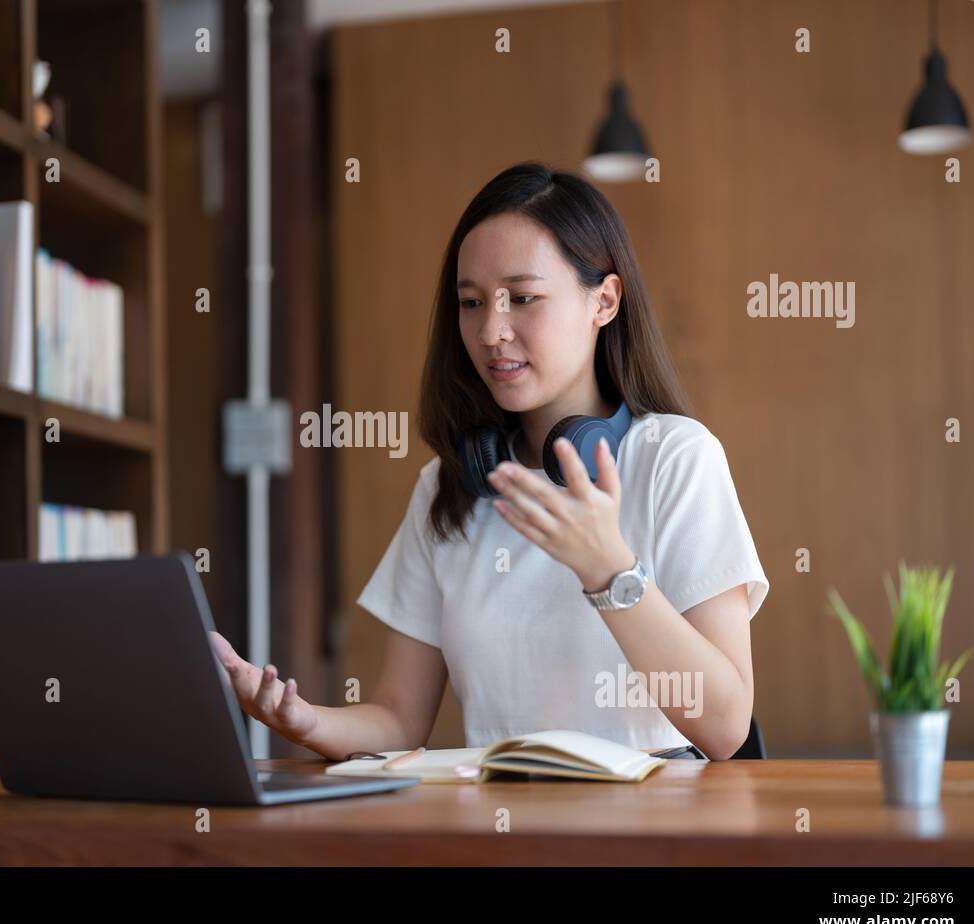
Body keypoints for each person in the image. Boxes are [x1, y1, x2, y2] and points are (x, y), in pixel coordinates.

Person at [210, 162, 769, 761]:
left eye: (522, 298)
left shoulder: (676, 459)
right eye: (471, 302)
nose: (491, 330)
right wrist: (302, 721)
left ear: (603, 301)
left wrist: (609, 571)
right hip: (498, 831)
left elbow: (725, 726)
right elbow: (399, 719)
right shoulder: (447, 485)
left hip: (648, 833)